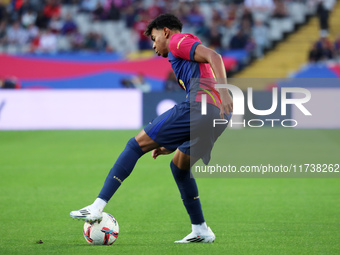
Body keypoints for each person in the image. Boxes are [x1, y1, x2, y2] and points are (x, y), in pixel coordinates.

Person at [70, 13, 233, 243]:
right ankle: (201, 229)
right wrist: (171, 142)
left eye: (154, 38)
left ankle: (97, 207)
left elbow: (214, 56)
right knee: (179, 166)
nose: (154, 46)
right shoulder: (183, 54)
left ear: (165, 31)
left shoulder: (177, 41)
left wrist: (225, 91)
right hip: (217, 118)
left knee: (135, 145)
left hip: (200, 107)